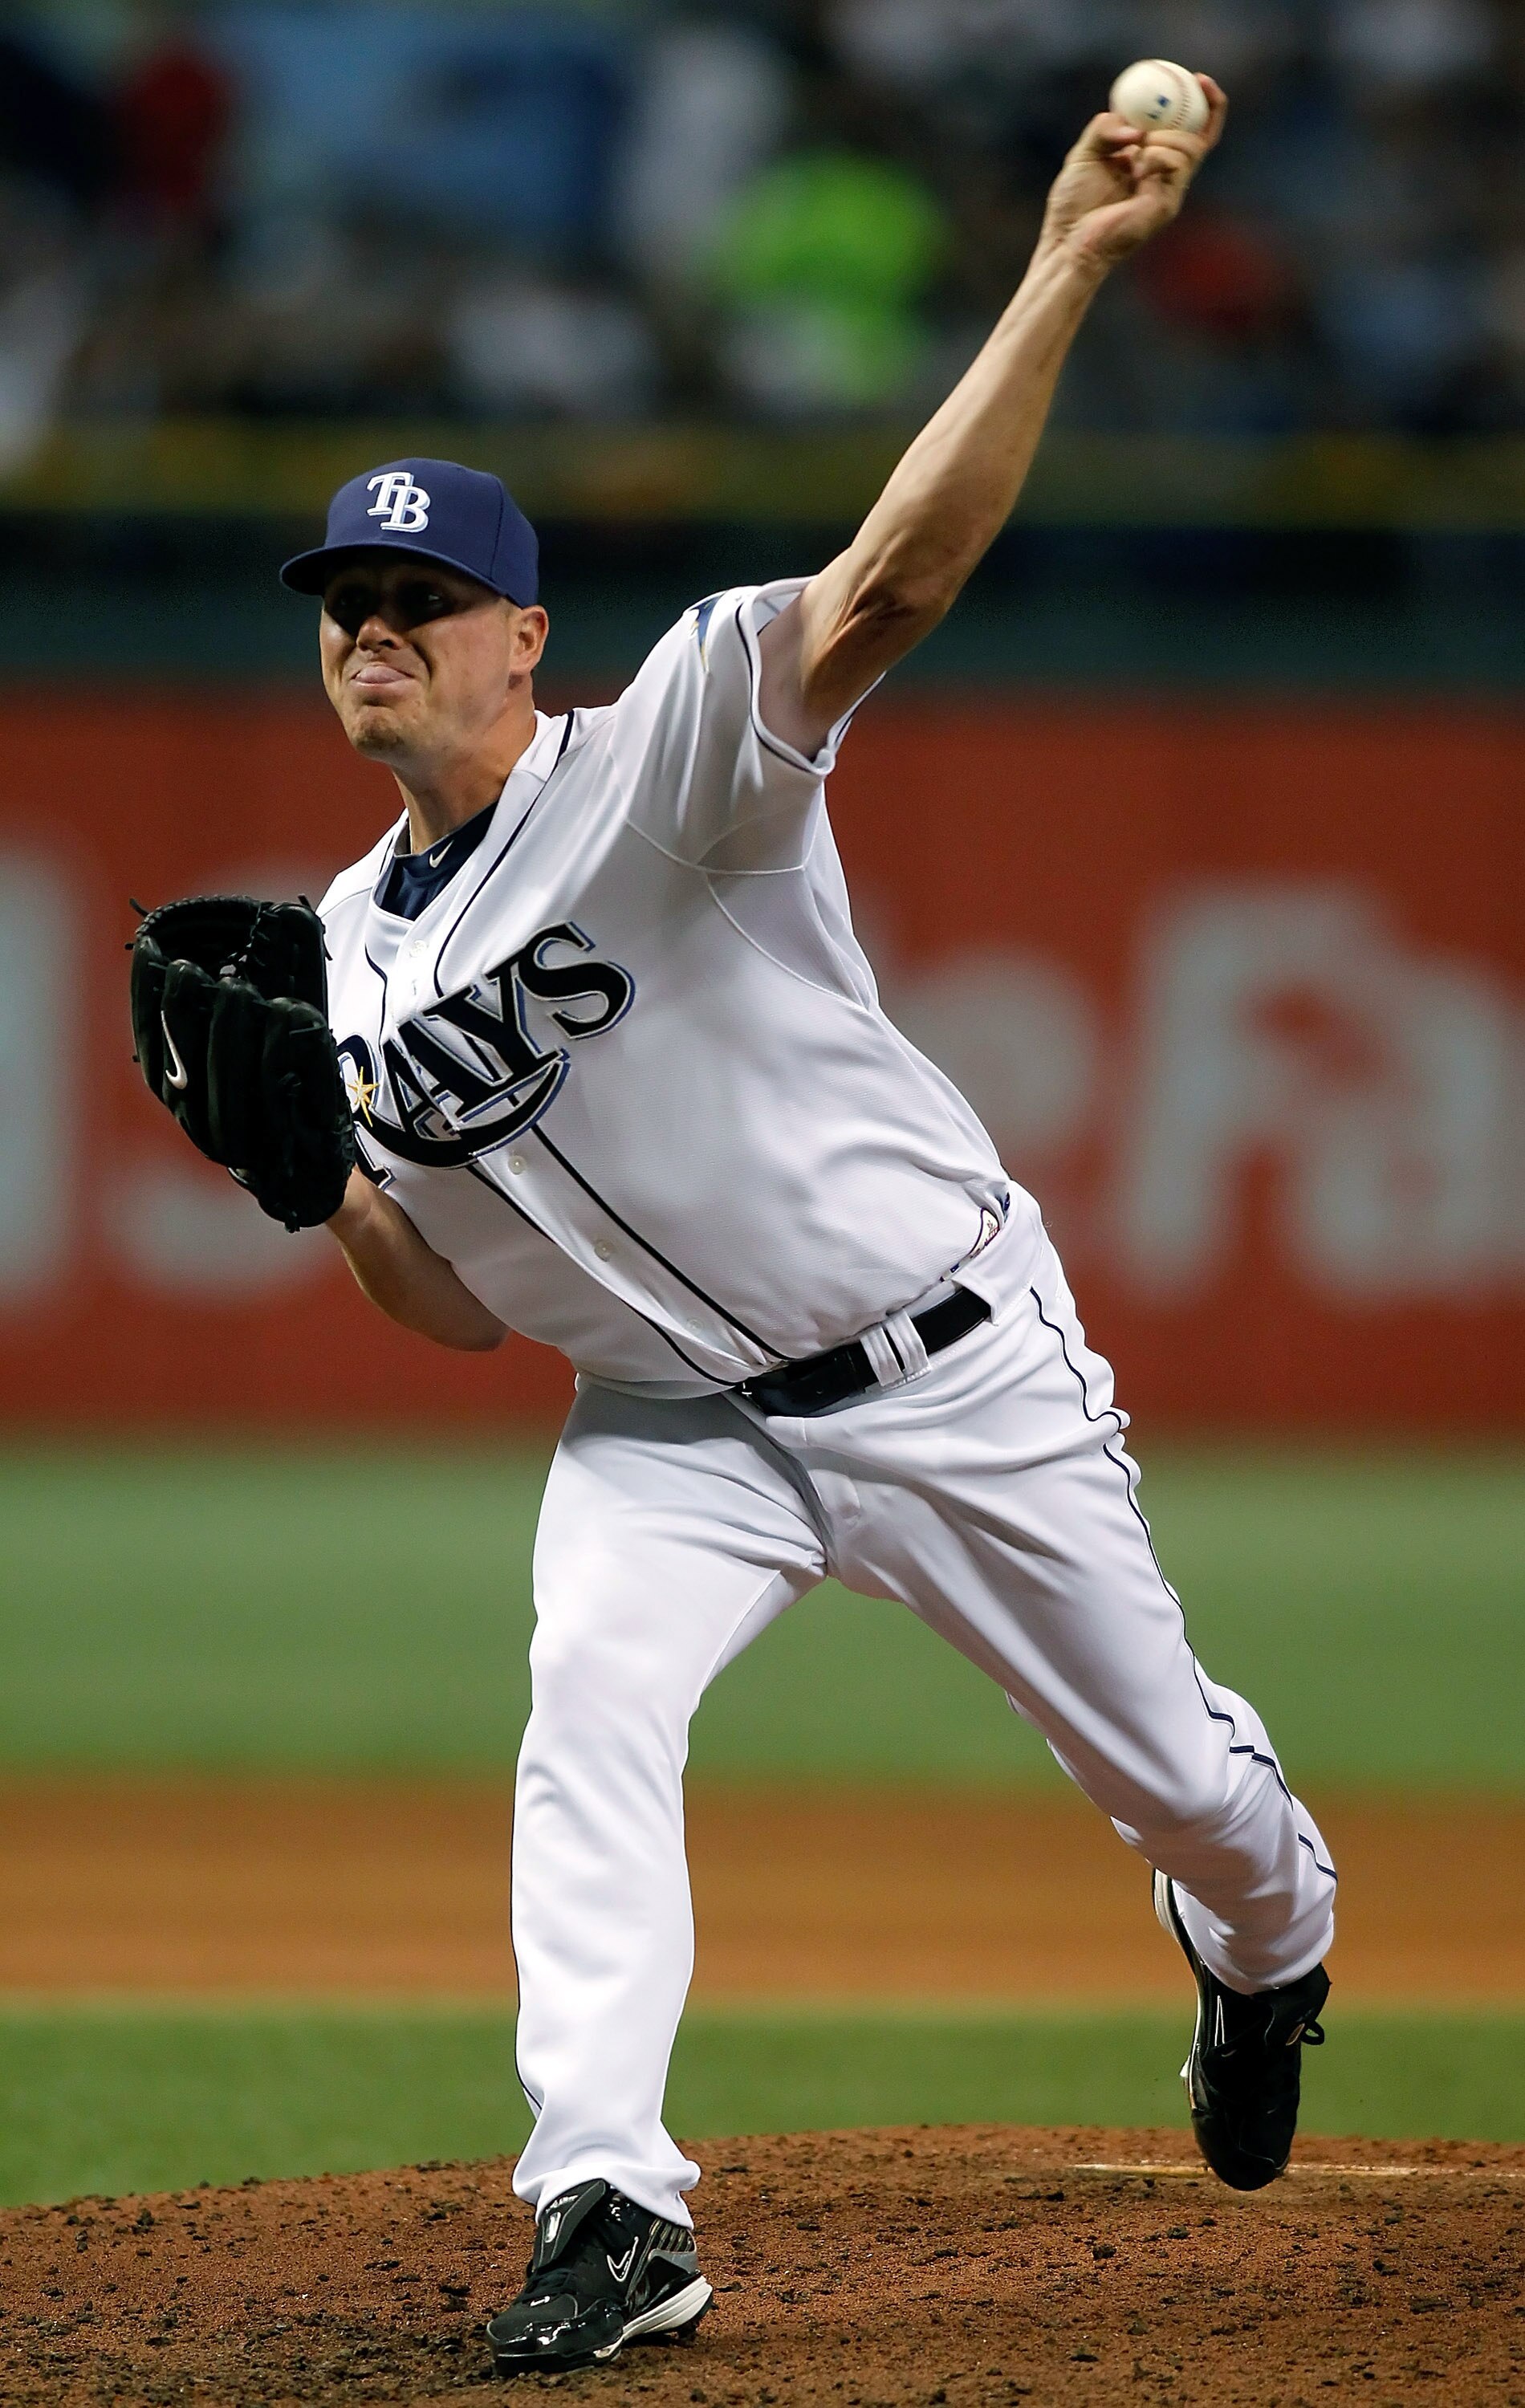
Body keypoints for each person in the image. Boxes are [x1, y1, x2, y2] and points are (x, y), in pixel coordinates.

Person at [279, 83, 1332, 2377]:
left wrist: (1061, 259)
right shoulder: (341, 952)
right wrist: (311, 1184)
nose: (375, 634)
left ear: (519, 636)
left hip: (945, 1361)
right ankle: (605, 2200)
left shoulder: (669, 752)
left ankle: (1263, 1942)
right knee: (586, 1700)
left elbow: (893, 583)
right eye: (349, 609)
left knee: (1178, 1788)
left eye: (418, 602)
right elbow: (448, 1315)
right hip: (662, 1427)